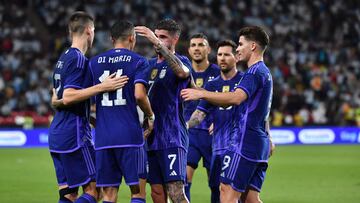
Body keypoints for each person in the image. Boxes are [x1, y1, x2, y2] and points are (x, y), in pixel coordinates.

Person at [181, 26, 274, 203]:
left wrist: (201, 93)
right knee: (250, 198)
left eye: (240, 44)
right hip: (257, 142)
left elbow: (236, 98)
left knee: (227, 192)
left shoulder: (253, 73)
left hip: (244, 142)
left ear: (253, 46)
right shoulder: (265, 72)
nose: (238, 48)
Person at [49, 11, 128, 203]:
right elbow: (68, 97)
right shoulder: (78, 60)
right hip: (74, 135)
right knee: (95, 190)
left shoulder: (64, 57)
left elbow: (57, 98)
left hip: (58, 133)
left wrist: (93, 120)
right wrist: (103, 86)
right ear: (89, 30)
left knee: (69, 194)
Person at [88, 20, 154, 203]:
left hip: (103, 138)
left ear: (111, 39)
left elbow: (84, 99)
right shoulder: (139, 61)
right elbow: (140, 95)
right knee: (138, 193)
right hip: (130, 136)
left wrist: (95, 121)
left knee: (108, 195)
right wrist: (150, 116)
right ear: (132, 38)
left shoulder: (94, 63)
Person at [135, 19, 191, 203]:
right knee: (157, 194)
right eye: (156, 36)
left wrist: (156, 42)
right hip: (150, 139)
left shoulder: (181, 62)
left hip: (172, 138)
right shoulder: (147, 65)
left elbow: (182, 73)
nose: (157, 41)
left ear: (175, 39)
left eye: (162, 37)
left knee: (176, 194)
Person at [187, 39, 242, 203]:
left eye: (227, 54)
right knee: (217, 188)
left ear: (236, 57)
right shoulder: (212, 85)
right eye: (220, 55)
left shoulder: (244, 81)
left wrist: (268, 135)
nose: (222, 58)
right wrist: (184, 125)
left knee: (235, 192)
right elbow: (200, 113)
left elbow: (258, 112)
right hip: (216, 145)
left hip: (237, 146)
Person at [183, 33, 220, 202]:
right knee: (184, 180)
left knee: (216, 184)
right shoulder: (182, 73)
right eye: (193, 45)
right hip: (189, 133)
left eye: (201, 44)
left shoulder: (219, 73)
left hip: (213, 134)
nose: (197, 48)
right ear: (189, 50)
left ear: (208, 49)